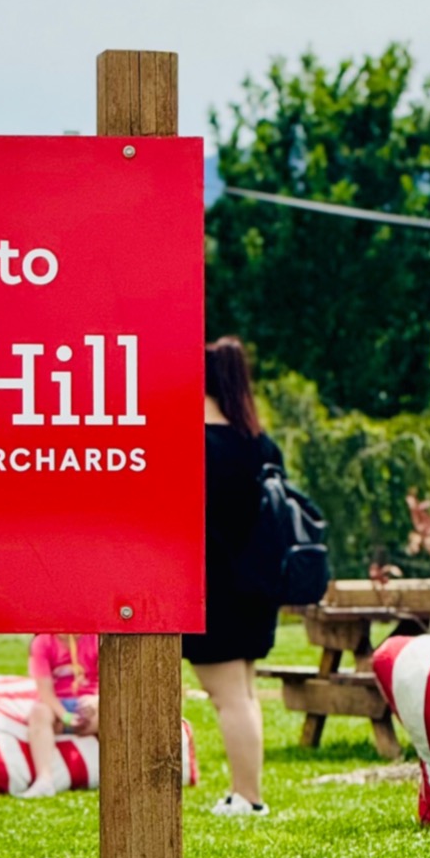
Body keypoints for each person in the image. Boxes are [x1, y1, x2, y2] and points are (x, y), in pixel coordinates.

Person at [184, 336, 283, 818]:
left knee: (228, 699)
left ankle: (248, 797)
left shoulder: (193, 443)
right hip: (257, 585)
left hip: (213, 589)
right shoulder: (259, 443)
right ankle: (246, 791)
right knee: (242, 693)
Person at [20, 632, 98, 799]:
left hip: (90, 703)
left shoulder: (95, 638)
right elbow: (45, 691)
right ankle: (44, 780)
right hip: (58, 705)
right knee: (39, 712)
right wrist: (65, 716)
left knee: (114, 712)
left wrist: (97, 700)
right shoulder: (43, 642)